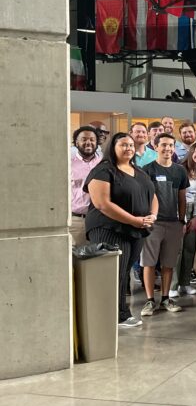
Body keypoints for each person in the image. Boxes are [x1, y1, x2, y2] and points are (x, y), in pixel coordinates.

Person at [83, 132, 157, 328]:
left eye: (131, 145)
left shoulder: (138, 171)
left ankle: (120, 313)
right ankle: (116, 316)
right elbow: (102, 204)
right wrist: (133, 220)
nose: (129, 148)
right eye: (123, 145)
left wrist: (153, 216)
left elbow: (153, 195)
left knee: (124, 272)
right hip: (109, 228)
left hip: (137, 229)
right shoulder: (103, 170)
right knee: (113, 273)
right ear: (112, 148)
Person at [139, 133, 189, 316]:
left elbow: (182, 197)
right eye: (164, 145)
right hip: (154, 224)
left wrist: (182, 220)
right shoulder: (147, 170)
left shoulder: (180, 171)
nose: (167, 149)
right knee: (149, 263)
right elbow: (143, 197)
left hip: (173, 224)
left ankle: (166, 298)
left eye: (170, 145)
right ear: (156, 147)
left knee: (169, 263)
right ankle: (150, 301)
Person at [170, 142, 196, 297]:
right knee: (177, 250)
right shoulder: (180, 170)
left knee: (189, 249)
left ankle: (185, 284)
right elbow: (179, 196)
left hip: (194, 211)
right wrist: (183, 219)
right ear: (191, 152)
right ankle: (173, 286)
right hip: (180, 211)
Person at [71, 125, 102, 247]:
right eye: (84, 139)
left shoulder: (104, 163)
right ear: (76, 142)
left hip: (100, 220)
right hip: (76, 221)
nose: (88, 142)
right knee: (74, 261)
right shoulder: (68, 163)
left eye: (92, 139)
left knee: (98, 259)